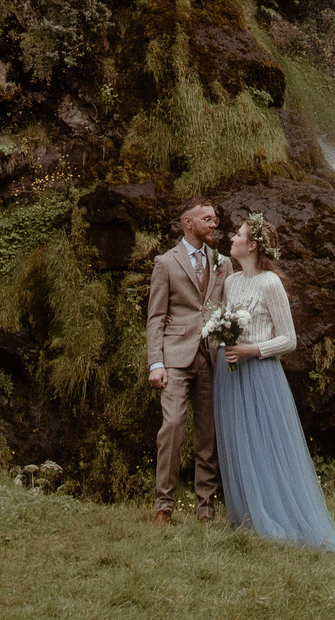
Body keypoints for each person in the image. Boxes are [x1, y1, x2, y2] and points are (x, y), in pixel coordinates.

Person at [213, 213, 335, 551]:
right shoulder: (231, 281)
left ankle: (276, 517)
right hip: (230, 372)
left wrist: (250, 349)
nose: (232, 238)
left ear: (254, 244)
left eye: (239, 235)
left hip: (260, 374)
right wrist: (223, 340)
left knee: (266, 445)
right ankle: (247, 517)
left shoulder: (270, 284)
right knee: (239, 441)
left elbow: (289, 339)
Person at [145, 200, 224, 522]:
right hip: (175, 357)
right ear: (187, 223)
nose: (213, 224)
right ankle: (164, 504)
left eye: (215, 219)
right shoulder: (166, 263)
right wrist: (156, 363)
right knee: (173, 426)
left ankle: (206, 508)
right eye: (207, 219)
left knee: (208, 434)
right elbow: (155, 317)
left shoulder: (223, 263)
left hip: (212, 357)